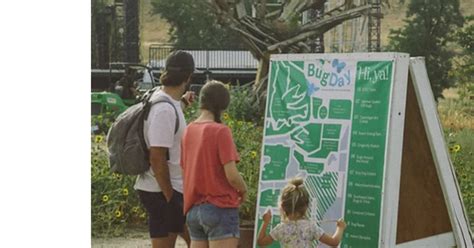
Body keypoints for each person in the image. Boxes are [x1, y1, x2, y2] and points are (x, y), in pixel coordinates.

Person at [134, 50, 195, 248]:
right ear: (188, 77)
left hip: (164, 188)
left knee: (194, 240)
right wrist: (171, 197)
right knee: (193, 240)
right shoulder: (164, 110)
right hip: (162, 190)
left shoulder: (163, 99)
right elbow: (157, 157)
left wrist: (183, 103)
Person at [180, 80, 248, 248]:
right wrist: (244, 189)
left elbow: (184, 172)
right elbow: (231, 175)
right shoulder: (221, 131)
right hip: (220, 208)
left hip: (194, 209)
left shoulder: (188, 130)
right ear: (223, 105)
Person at [257, 177, 347, 247]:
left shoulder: (280, 228)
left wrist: (266, 222)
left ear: (283, 207)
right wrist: (340, 227)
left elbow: (261, 242)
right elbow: (334, 242)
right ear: (306, 206)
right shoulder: (310, 227)